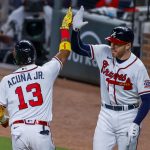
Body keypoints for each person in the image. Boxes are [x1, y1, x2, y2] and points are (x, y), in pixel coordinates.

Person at [71, 6, 150, 150]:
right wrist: (75, 30)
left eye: (117, 44)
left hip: (128, 115)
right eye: (111, 42)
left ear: (128, 46)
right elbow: (78, 48)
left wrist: (136, 122)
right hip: (106, 115)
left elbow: (147, 99)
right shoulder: (103, 52)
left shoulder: (138, 67)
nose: (112, 46)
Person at [0, 7, 72, 150]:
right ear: (33, 55)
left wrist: (5, 121)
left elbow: (0, 113)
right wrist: (64, 28)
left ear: (16, 59)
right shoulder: (46, 71)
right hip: (40, 132)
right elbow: (65, 52)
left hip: (18, 132)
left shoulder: (6, 80)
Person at [0, 0, 53, 64]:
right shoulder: (17, 14)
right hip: (22, 53)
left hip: (44, 54)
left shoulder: (51, 14)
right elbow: (7, 37)